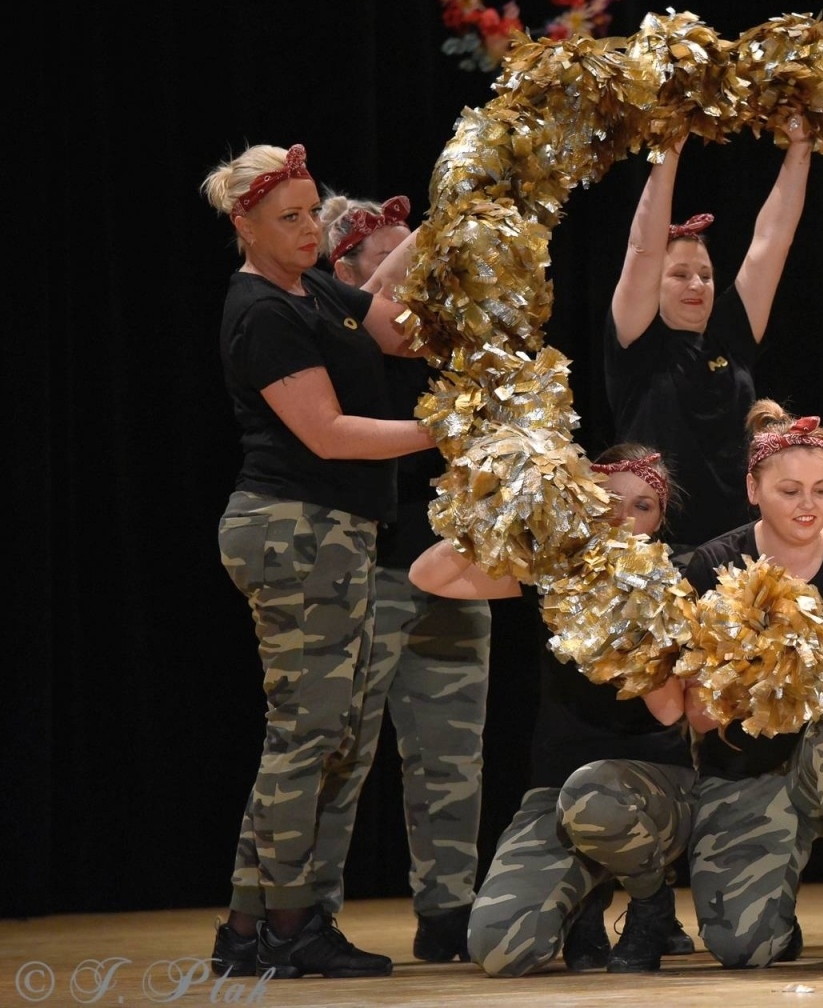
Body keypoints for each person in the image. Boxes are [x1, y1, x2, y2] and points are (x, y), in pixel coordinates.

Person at [200, 143, 436, 979]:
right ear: (246, 226)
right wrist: (448, 432)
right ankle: (291, 926)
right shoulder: (261, 309)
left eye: (311, 212)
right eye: (289, 219)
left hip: (327, 530)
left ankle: (246, 927)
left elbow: (393, 328)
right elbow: (329, 435)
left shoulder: (312, 289)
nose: (309, 229)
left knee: (313, 735)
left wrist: (441, 224)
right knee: (308, 737)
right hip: (294, 527)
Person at [409, 444, 699, 976]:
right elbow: (428, 575)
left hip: (655, 788)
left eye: (643, 506)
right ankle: (583, 901)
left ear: (660, 520)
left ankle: (652, 900)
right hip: (557, 790)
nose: (623, 518)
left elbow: (667, 713)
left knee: (594, 797)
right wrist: (509, 511)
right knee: (500, 950)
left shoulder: (680, 575)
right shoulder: (556, 570)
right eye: (609, 500)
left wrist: (624, 626)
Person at [314, 191, 493, 963]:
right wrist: (434, 224)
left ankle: (448, 915)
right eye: (395, 260)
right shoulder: (331, 327)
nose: (416, 274)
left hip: (453, 574)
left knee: (450, 757)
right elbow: (366, 307)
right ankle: (306, 915)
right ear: (346, 268)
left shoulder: (450, 345)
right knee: (339, 754)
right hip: (368, 574)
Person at [683, 401, 823, 970]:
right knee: (743, 948)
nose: (808, 506)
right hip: (744, 771)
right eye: (789, 491)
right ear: (753, 489)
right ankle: (774, 910)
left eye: (822, 489)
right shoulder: (710, 566)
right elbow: (696, 715)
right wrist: (762, 676)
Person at [605, 116, 814, 558]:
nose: (696, 285)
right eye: (679, 275)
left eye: (704, 275)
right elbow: (642, 249)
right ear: (652, 285)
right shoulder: (637, 341)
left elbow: (772, 241)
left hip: (738, 546)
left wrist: (801, 145)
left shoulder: (731, 333)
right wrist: (670, 151)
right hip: (656, 550)